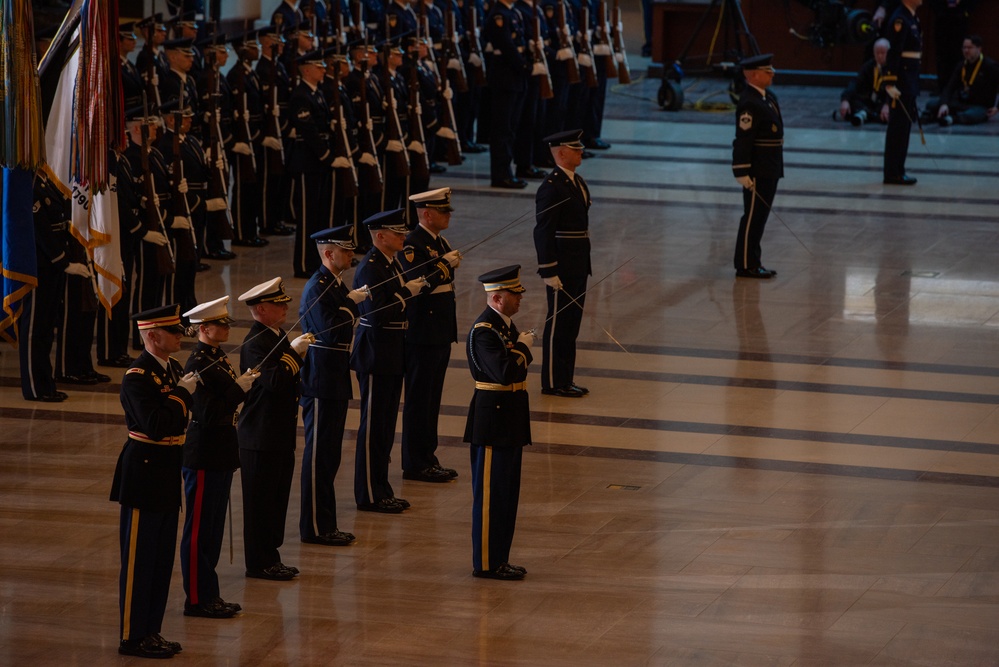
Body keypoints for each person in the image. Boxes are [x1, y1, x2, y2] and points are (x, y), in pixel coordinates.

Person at [111, 304, 198, 659]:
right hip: (144, 473)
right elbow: (157, 425)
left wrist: (178, 398)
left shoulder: (172, 368)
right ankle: (132, 636)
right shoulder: (137, 376)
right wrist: (180, 395)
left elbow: (177, 422)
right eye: (173, 332)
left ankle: (152, 631)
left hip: (165, 471)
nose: (180, 337)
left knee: (161, 560)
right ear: (152, 336)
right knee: (138, 561)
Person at [179, 296, 258, 619]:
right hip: (204, 451)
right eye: (219, 324)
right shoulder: (198, 363)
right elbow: (209, 412)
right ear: (202, 328)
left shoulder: (215, 357)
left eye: (226, 323)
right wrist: (239, 390)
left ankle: (209, 593)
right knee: (199, 531)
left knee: (212, 528)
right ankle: (197, 598)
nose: (226, 328)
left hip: (221, 449)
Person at [237, 277, 314, 580]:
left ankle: (272, 556)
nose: (284, 308)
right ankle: (259, 562)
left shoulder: (276, 334)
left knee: (276, 500)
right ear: (260, 310)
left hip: (278, 433)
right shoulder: (255, 342)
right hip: (260, 436)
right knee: (260, 504)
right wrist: (296, 354)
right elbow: (274, 381)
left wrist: (294, 354)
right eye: (277, 305)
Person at [351, 209, 426, 513]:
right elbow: (374, 314)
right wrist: (407, 294)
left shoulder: (388, 263)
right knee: (374, 428)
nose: (403, 237)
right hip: (376, 353)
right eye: (397, 234)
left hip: (392, 352)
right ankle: (369, 493)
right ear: (380, 237)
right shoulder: (370, 268)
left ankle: (381, 489)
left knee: (385, 427)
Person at [299, 226, 369, 546]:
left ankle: (326, 525)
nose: (351, 255)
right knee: (319, 457)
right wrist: (351, 305)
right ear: (329, 254)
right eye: (345, 250)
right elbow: (332, 331)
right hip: (320, 379)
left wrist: (347, 302)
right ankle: (315, 526)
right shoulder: (318, 287)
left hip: (334, 377)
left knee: (330, 456)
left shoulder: (333, 284)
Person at [464, 265, 534, 580]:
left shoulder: (503, 327)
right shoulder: (484, 331)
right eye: (513, 294)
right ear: (497, 297)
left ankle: (500, 559)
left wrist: (518, 348)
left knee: (507, 495)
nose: (519, 299)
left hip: (509, 419)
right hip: (492, 421)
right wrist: (523, 349)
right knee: (491, 497)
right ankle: (487, 562)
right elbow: (505, 372)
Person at [399, 187, 461, 483]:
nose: (448, 215)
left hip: (439, 332)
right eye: (443, 211)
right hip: (423, 334)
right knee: (419, 399)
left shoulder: (438, 241)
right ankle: (415, 462)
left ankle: (428, 457)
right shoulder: (413, 244)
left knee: (432, 399)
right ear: (426, 213)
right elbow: (419, 282)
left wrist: (444, 266)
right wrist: (445, 266)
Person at [533, 129, 591, 397]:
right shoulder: (551, 187)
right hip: (563, 266)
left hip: (578, 264)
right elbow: (543, 230)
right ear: (562, 152)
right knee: (558, 324)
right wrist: (548, 269)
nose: (581, 152)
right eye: (575, 148)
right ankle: (554, 381)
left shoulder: (575, 181)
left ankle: (565, 379)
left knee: (571, 323)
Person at [731, 54, 783, 278]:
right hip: (758, 169)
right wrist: (741, 170)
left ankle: (753, 260)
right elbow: (743, 140)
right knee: (752, 216)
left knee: (760, 217)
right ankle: (746, 264)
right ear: (753, 75)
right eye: (766, 70)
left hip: (769, 167)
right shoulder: (749, 103)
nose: (772, 73)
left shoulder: (766, 97)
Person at [483, 0, 530, 189]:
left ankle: (507, 171)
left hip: (514, 77)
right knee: (502, 129)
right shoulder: (498, 15)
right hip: (505, 75)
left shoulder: (513, 13)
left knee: (511, 127)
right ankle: (500, 174)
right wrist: (523, 65)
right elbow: (506, 44)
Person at [882, 0, 922, 186]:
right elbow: (894, 52)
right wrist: (890, 81)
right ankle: (892, 172)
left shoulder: (911, 17)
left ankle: (899, 169)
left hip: (909, 80)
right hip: (901, 82)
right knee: (898, 127)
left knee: (904, 127)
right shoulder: (900, 18)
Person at [932, 35, 999, 126]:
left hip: (980, 106)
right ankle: (947, 115)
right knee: (932, 104)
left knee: (971, 115)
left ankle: (952, 118)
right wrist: (944, 104)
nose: (966, 51)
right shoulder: (961, 65)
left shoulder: (990, 66)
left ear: (979, 49)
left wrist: (997, 108)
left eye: (970, 48)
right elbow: (949, 88)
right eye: (964, 48)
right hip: (962, 103)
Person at [835, 38, 891, 126]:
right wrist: (845, 100)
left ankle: (866, 114)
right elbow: (856, 83)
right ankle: (868, 114)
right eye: (877, 53)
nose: (880, 56)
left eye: (883, 53)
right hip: (869, 101)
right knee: (852, 101)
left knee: (892, 111)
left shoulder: (893, 68)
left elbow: (894, 89)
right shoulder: (869, 66)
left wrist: (888, 104)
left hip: (884, 101)